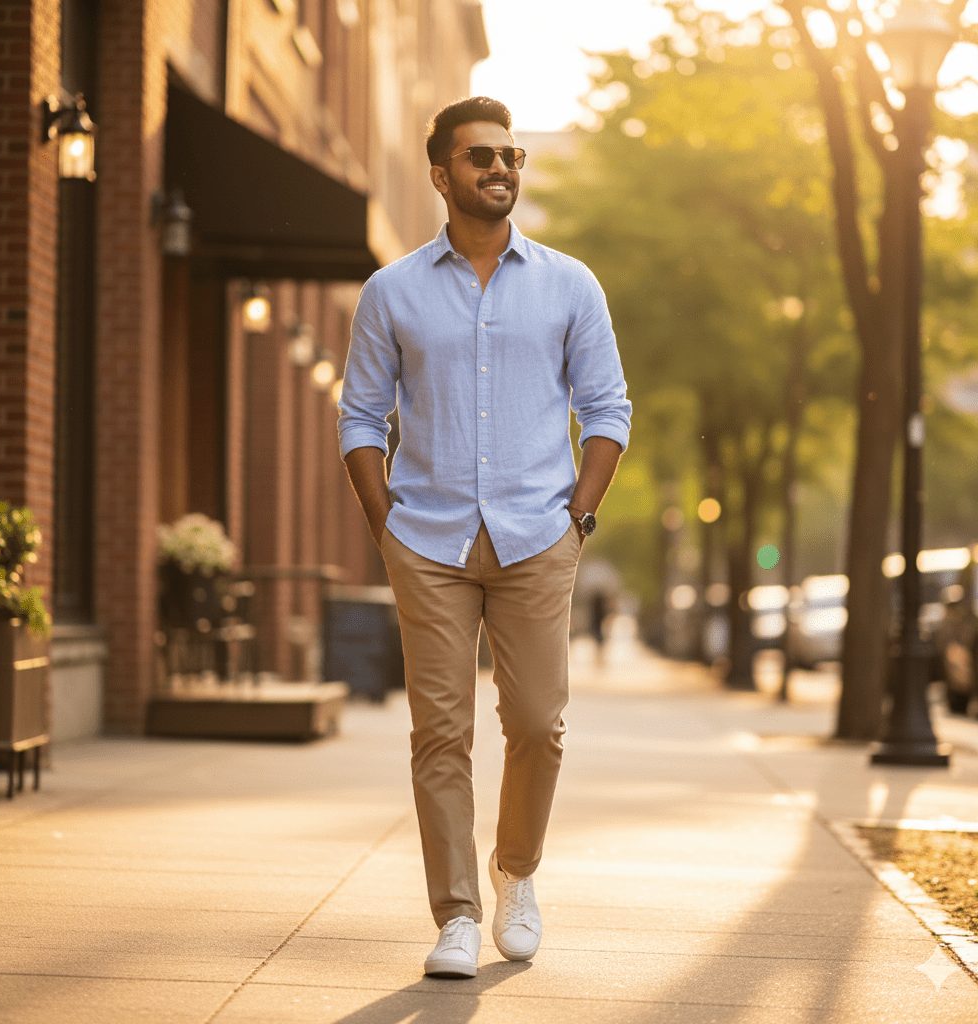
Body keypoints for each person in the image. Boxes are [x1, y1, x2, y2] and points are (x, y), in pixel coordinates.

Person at [337, 96, 631, 979]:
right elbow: (360, 417)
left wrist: (579, 519)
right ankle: (457, 913)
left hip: (538, 535)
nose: (500, 169)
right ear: (441, 174)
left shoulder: (570, 284)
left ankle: (518, 873)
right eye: (480, 157)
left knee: (538, 724)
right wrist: (385, 525)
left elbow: (608, 409)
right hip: (425, 541)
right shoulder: (391, 291)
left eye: (511, 155)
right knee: (441, 734)